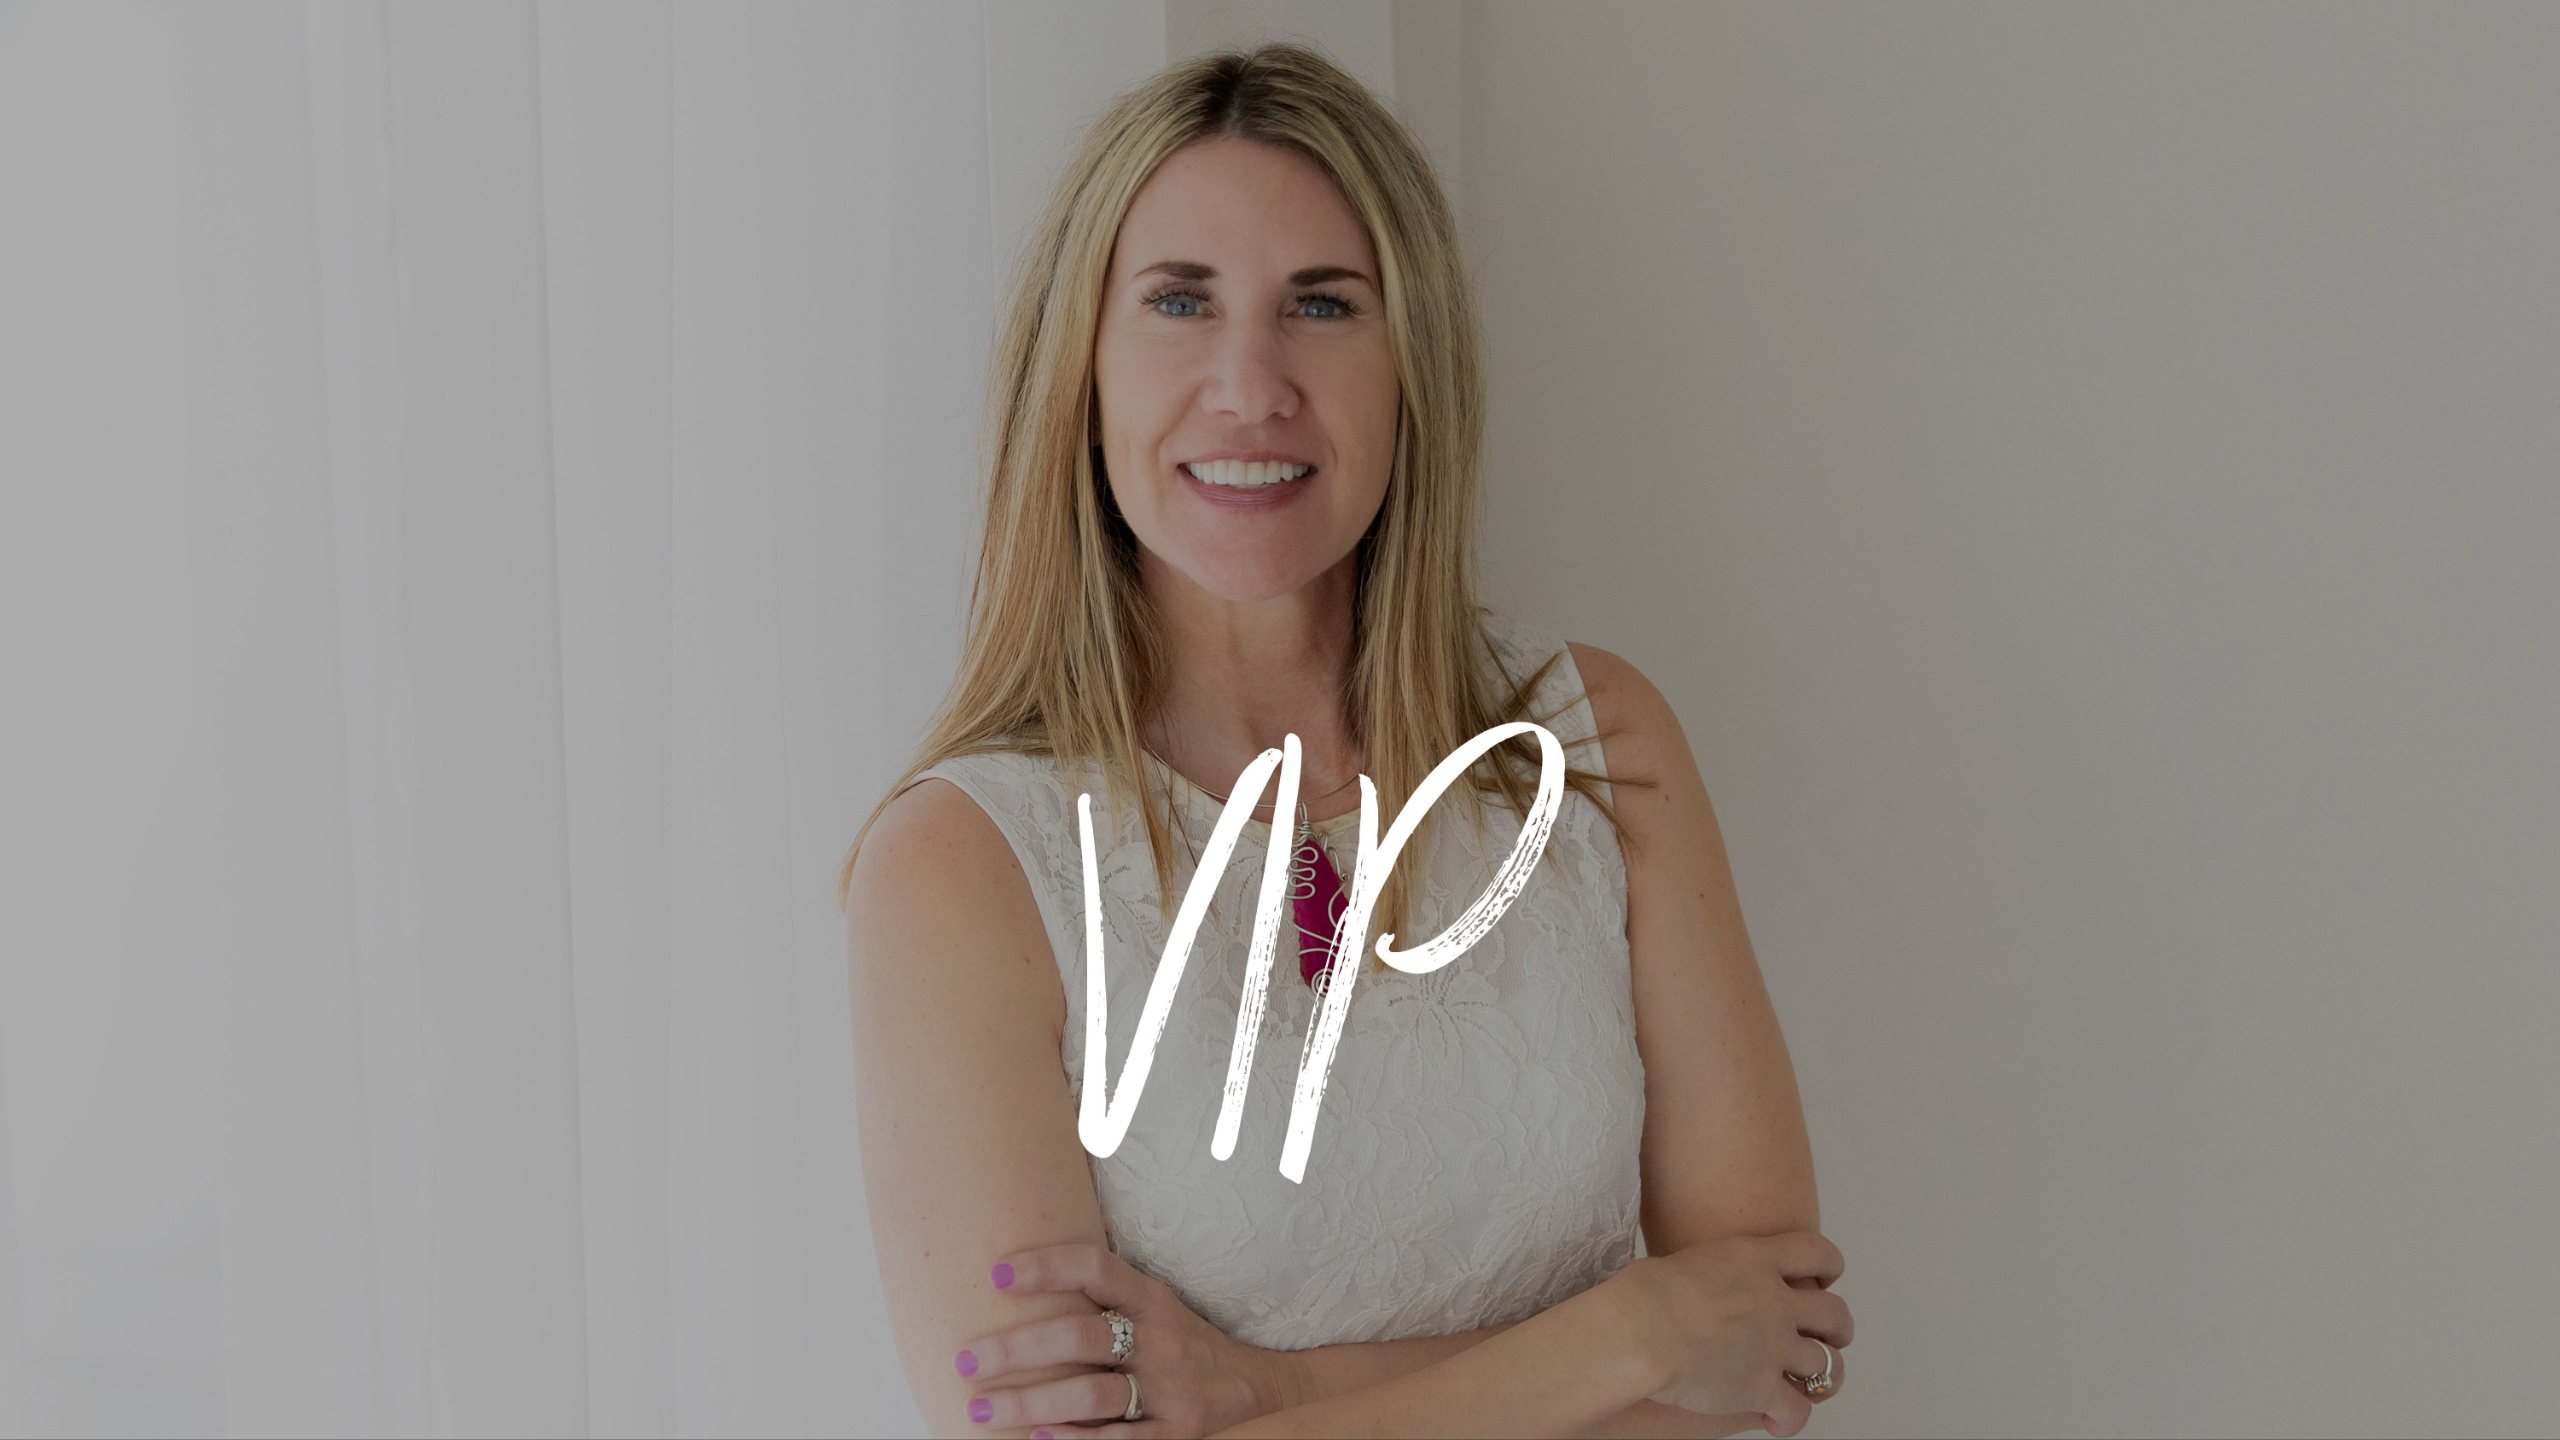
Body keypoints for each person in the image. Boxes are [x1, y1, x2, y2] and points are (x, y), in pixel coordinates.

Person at [840, 44, 1851, 1440]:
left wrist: (1270, 1396)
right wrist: (1627, 1334)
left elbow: (1773, 1348)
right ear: (1081, 367)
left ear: (1410, 362)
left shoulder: (1597, 747)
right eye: (1179, 301)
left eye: (1322, 304)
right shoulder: (965, 864)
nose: (1250, 386)